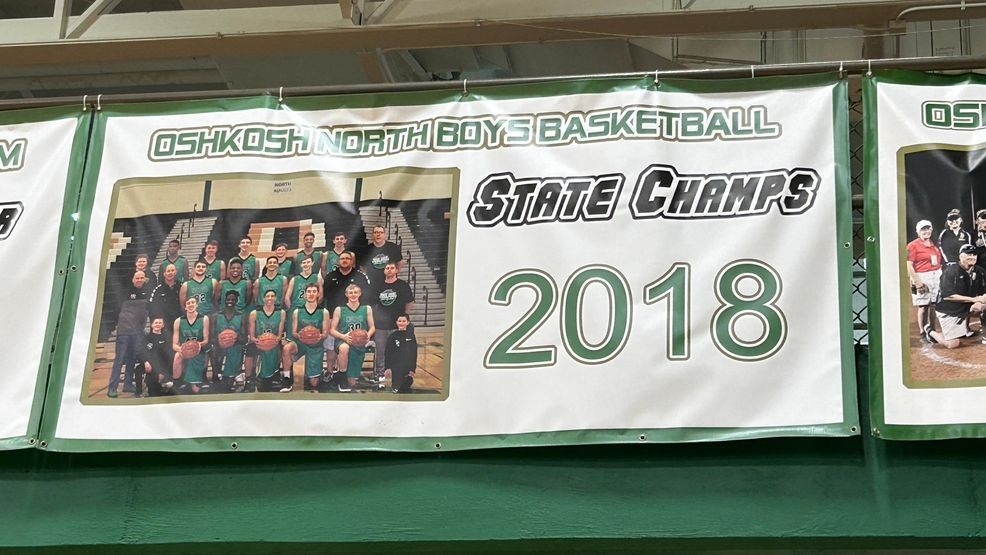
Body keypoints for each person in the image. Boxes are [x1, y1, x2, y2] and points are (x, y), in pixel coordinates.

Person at [928, 244, 986, 348]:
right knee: (953, 344)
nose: (972, 257)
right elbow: (948, 296)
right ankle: (930, 331)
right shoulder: (950, 272)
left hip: (966, 306)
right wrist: (974, 299)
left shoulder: (980, 271)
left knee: (983, 306)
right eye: (968, 254)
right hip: (949, 310)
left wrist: (980, 300)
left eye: (974, 254)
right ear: (961, 256)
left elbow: (984, 290)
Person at [322, 251, 370, 374]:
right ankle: (329, 371)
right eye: (342, 258)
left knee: (348, 346)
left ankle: (346, 373)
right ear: (338, 261)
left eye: (347, 258)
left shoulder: (360, 276)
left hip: (354, 317)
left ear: (352, 261)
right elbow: (324, 296)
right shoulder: (330, 276)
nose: (344, 260)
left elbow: (365, 297)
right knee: (331, 347)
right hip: (334, 317)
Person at [370, 261, 415, 384]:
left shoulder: (403, 285)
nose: (389, 270)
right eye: (387, 268)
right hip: (381, 325)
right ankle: (380, 374)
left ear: (396, 270)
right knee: (380, 350)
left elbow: (409, 303)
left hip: (397, 325)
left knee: (399, 350)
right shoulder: (377, 285)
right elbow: (373, 305)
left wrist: (402, 317)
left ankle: (400, 373)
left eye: (392, 268)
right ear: (384, 271)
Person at [107, 270, 149, 398]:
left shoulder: (146, 292)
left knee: (131, 359)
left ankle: (128, 384)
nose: (139, 279)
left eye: (142, 277)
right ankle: (112, 388)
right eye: (137, 277)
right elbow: (117, 310)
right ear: (132, 279)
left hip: (137, 332)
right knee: (120, 360)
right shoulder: (125, 292)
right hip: (124, 332)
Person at [282, 284, 329, 392]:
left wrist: (316, 336)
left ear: (318, 294)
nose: (311, 294)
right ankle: (286, 377)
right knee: (286, 348)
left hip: (315, 345)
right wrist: (302, 335)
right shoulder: (297, 312)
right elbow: (293, 332)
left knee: (314, 383)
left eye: (314, 291)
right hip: (300, 343)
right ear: (304, 295)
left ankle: (316, 372)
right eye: (309, 291)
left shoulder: (324, 312)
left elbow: (325, 333)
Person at [329, 283, 375, 392]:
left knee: (352, 383)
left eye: (355, 292)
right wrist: (343, 337)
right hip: (343, 340)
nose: (353, 295)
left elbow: (372, 327)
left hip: (359, 343)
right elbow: (332, 330)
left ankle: (346, 377)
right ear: (346, 294)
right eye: (350, 293)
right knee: (344, 348)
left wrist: (367, 336)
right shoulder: (339, 309)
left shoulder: (367, 308)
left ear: (360, 294)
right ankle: (342, 376)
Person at [907, 219, 943, 343]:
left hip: (935, 276)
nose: (926, 231)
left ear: (931, 230)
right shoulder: (913, 245)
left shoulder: (933, 245)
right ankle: (923, 332)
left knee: (933, 304)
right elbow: (909, 265)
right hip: (921, 276)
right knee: (923, 306)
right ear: (918, 231)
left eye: (928, 228)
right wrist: (918, 283)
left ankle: (932, 330)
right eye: (923, 229)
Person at [246, 289, 288, 392]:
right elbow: (252, 337)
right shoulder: (254, 313)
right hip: (259, 343)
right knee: (249, 350)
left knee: (283, 348)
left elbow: (279, 334)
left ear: (276, 298)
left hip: (273, 342)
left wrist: (275, 340)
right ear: (263, 298)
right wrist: (258, 341)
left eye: (272, 296)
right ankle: (248, 379)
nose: (270, 298)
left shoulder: (281, 312)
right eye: (267, 296)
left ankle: (279, 375)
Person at [172, 296, 210, 394]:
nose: (191, 305)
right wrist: (181, 349)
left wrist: (197, 345)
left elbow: (206, 340)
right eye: (188, 303)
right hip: (184, 349)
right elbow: (174, 344)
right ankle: (177, 382)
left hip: (198, 348)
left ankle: (194, 382)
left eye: (193, 303)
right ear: (185, 307)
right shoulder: (178, 321)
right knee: (177, 356)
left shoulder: (204, 318)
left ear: (197, 305)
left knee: (195, 390)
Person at [211, 290, 246, 391]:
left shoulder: (241, 316)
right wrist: (220, 341)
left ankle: (231, 375)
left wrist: (233, 338)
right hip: (220, 346)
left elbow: (243, 338)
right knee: (213, 349)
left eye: (233, 299)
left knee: (237, 348)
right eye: (228, 299)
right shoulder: (216, 316)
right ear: (224, 300)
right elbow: (212, 337)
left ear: (236, 301)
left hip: (235, 346)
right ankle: (217, 374)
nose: (230, 301)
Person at [138, 316, 174, 397]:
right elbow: (141, 352)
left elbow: (169, 356)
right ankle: (146, 389)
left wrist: (162, 372)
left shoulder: (167, 338)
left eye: (160, 323)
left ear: (163, 325)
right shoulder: (146, 338)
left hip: (164, 366)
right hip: (151, 366)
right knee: (153, 392)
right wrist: (145, 361)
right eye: (156, 323)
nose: (158, 324)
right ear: (152, 325)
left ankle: (165, 383)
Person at [385, 313, 417, 394]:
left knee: (408, 381)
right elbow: (388, 352)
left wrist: (413, 368)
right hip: (396, 365)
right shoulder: (392, 336)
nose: (401, 323)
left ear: (408, 322)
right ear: (396, 322)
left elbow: (414, 352)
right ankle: (395, 387)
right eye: (399, 321)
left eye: (404, 321)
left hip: (407, 364)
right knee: (396, 386)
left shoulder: (411, 335)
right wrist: (387, 367)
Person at [147, 263, 181, 329]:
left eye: (172, 270)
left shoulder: (181, 287)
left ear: (176, 272)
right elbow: (151, 307)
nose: (170, 273)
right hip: (164, 324)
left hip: (179, 322)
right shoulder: (158, 290)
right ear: (164, 273)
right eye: (168, 271)